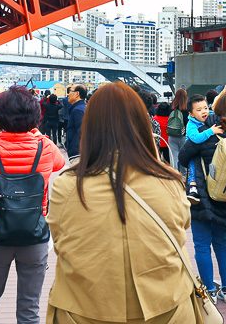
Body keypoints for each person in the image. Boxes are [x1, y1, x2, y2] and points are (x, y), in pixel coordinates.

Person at [47, 82, 196, 323]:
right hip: (166, 308)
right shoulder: (168, 181)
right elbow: (182, 225)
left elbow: (59, 236)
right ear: (141, 124)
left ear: (90, 128)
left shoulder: (68, 186)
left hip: (85, 309)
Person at [0, 86, 65, 324]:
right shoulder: (45, 146)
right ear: (34, 116)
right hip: (34, 234)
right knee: (30, 309)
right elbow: (60, 164)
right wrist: (37, 134)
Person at [178, 89, 226, 303]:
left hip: (202, 196)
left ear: (215, 108)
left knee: (202, 245)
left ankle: (209, 290)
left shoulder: (205, 132)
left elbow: (184, 158)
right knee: (222, 243)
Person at [182, 94, 223, 204]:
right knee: (193, 166)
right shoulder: (191, 124)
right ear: (191, 113)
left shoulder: (210, 115)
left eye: (206, 108)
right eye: (199, 110)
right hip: (193, 151)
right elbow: (195, 139)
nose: (204, 111)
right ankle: (192, 188)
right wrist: (211, 131)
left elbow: (222, 117)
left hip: (204, 150)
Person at [167, 88, 188, 175]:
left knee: (174, 157)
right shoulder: (186, 109)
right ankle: (184, 174)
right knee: (183, 156)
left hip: (172, 135)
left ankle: (175, 174)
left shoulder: (171, 107)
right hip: (183, 136)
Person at [63, 84, 87, 157]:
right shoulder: (81, 108)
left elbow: (81, 133)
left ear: (77, 94)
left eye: (70, 91)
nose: (68, 94)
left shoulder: (78, 110)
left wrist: (73, 150)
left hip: (77, 154)